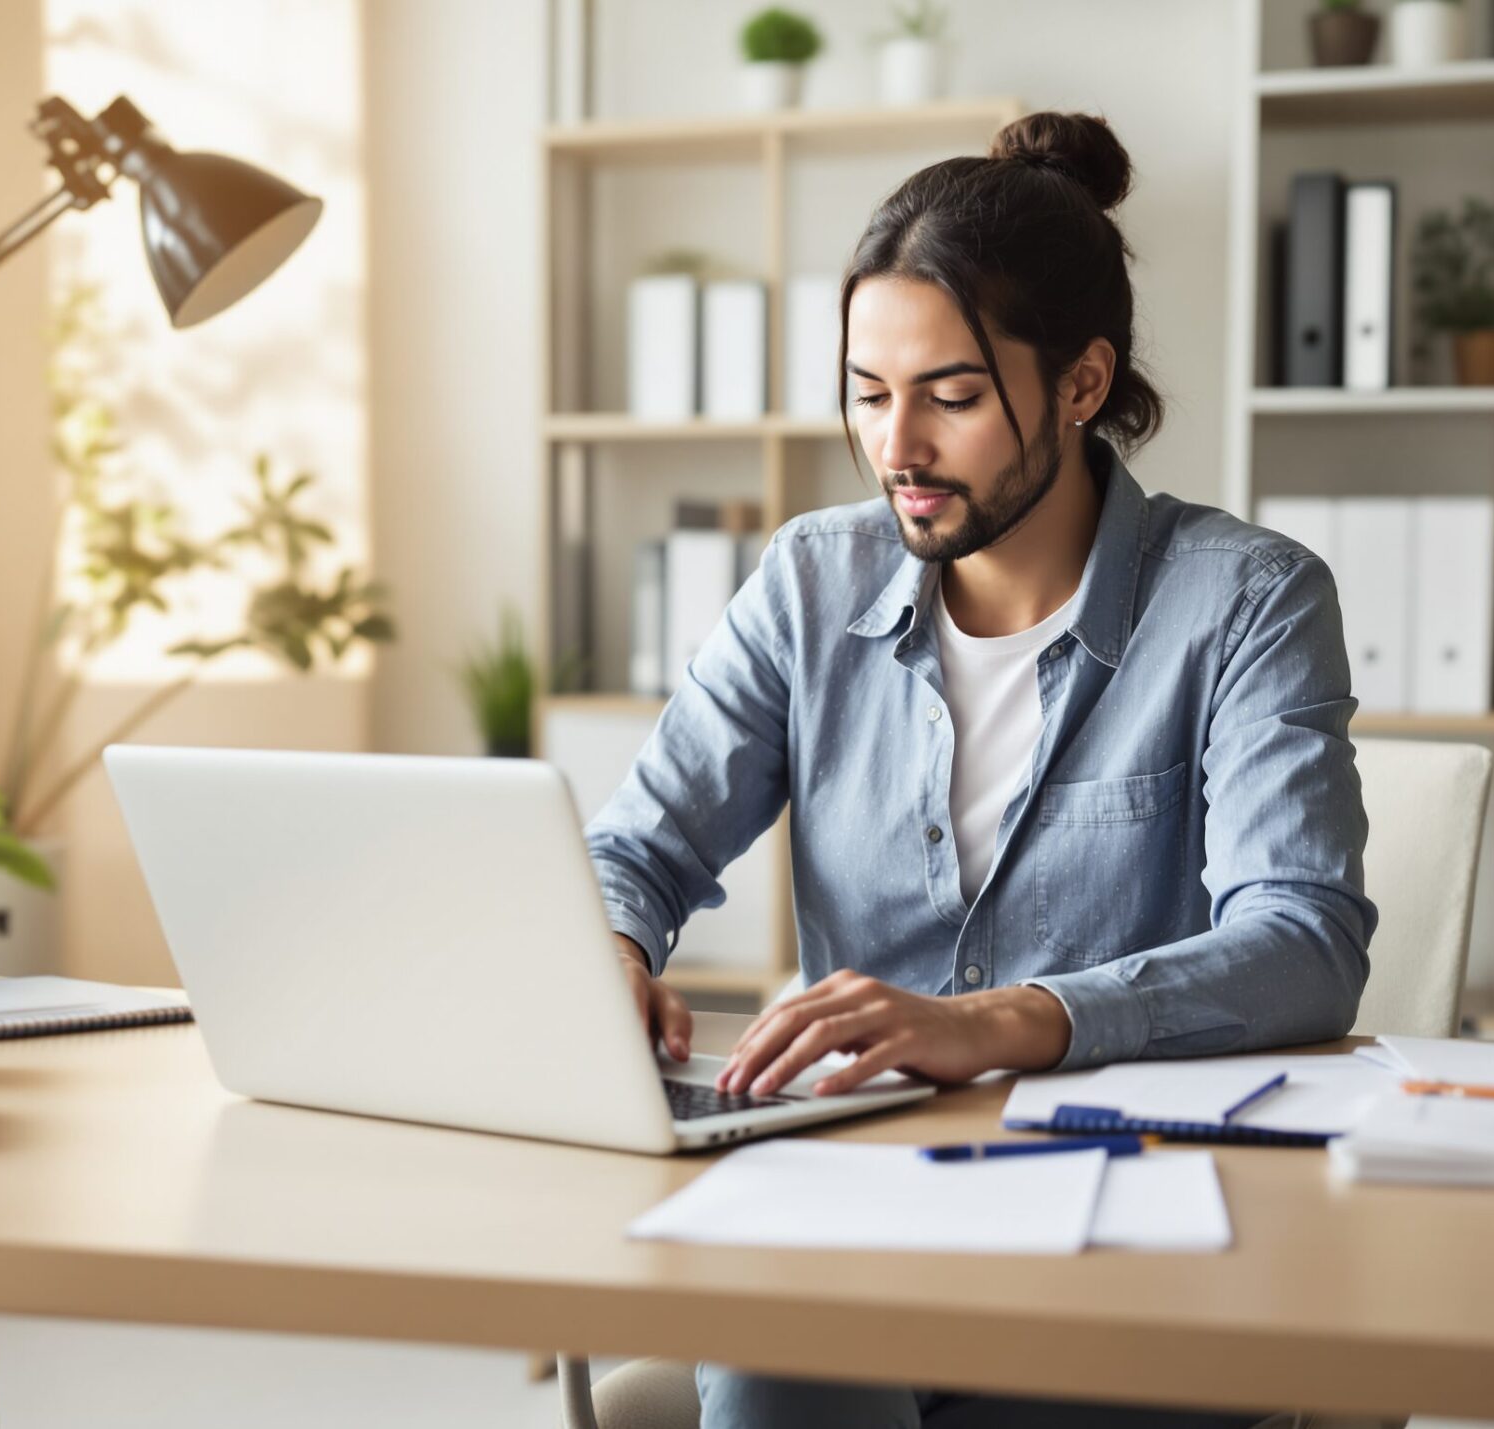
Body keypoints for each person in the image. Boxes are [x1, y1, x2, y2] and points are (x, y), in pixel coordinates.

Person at [584, 110, 1377, 1429]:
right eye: (867, 390)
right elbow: (641, 848)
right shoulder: (808, 581)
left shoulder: (1247, 600)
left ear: (1079, 383)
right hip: (845, 1206)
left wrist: (997, 1020)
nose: (898, 447)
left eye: (951, 396)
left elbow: (1303, 938)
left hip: (1123, 1224)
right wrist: (608, 941)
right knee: (783, 1359)